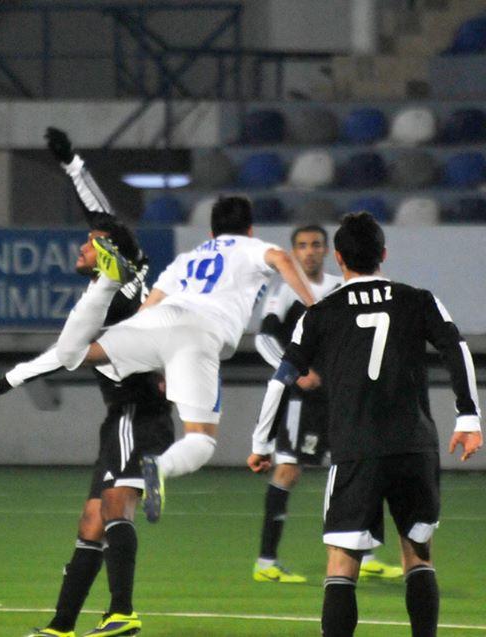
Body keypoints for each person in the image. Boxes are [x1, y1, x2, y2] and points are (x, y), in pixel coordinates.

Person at [0, 128, 173, 637]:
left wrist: (6, 381)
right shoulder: (119, 282)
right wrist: (72, 165)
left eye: (91, 243)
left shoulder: (117, 289)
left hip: (137, 413)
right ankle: (62, 625)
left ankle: (122, 612)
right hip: (122, 417)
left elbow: (66, 355)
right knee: (90, 522)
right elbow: (103, 218)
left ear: (108, 253)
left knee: (114, 508)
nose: (83, 245)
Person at [248, 212, 482, 636]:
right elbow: (456, 348)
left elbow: (281, 378)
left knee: (342, 564)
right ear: (383, 254)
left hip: (357, 449)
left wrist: (262, 442)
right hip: (415, 447)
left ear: (338, 258)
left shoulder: (320, 313)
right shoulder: (418, 299)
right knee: (418, 557)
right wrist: (468, 416)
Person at [52, 195, 316, 523]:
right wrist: (314, 306)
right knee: (201, 440)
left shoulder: (187, 258)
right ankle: (158, 466)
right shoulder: (252, 248)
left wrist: (152, 360)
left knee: (81, 354)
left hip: (159, 321)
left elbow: (148, 307)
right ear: (249, 229)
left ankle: (83, 323)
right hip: (200, 333)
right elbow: (282, 258)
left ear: (211, 233)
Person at [250, 224, 402, 583]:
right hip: (301, 401)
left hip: (340, 398)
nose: (309, 251)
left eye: (316, 244)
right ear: (293, 252)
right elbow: (264, 340)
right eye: (302, 246)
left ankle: (364, 555)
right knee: (288, 471)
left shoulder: (340, 288)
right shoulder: (284, 291)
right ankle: (266, 562)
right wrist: (296, 372)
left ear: (328, 251)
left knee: (357, 466)